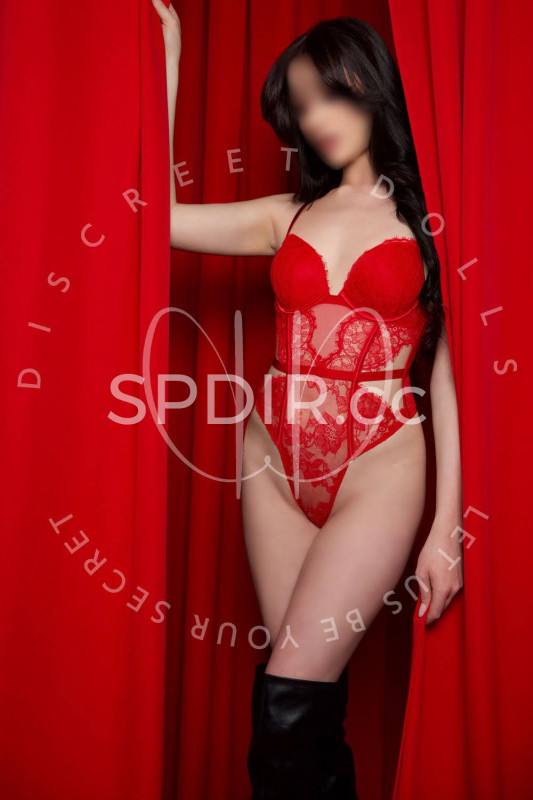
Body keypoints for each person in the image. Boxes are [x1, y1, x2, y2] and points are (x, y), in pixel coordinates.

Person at [152, 4, 463, 798]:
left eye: (332, 93)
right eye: (302, 103)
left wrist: (447, 528)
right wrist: (170, 64)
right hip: (271, 463)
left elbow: (446, 375)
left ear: (371, 85)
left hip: (377, 465)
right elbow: (151, 219)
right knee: (304, 702)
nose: (317, 117)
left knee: (288, 700)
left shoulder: (431, 217)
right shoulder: (283, 217)